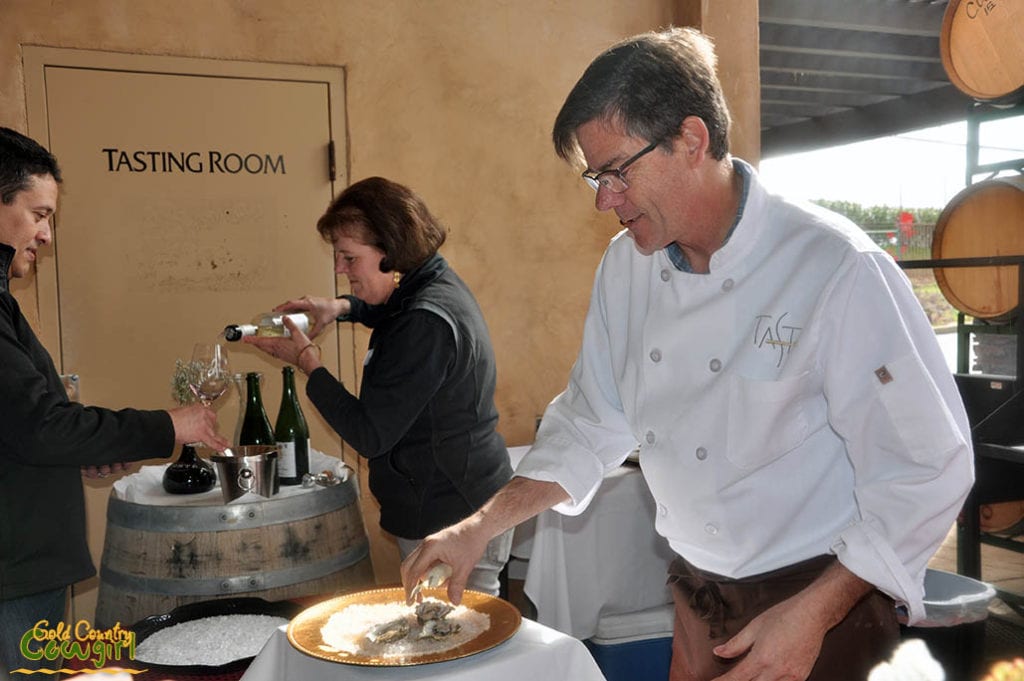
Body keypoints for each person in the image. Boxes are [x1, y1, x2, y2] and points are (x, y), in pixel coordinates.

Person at [401, 27, 974, 681]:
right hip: (701, 598)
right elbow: (590, 423)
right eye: (595, 175)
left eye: (616, 171)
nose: (602, 198)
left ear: (693, 140)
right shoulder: (626, 268)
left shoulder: (835, 267)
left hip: (826, 603)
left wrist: (813, 614)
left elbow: (929, 467)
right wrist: (479, 524)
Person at [0, 127, 230, 675]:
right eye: (38, 214)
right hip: (12, 575)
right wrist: (170, 425)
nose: (47, 234)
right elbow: (40, 427)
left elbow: (20, 427)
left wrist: (81, 449)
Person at [243, 176, 514, 596]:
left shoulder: (424, 322)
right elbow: (391, 308)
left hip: (452, 514)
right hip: (459, 500)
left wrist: (307, 363)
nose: (339, 269)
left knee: (456, 644)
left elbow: (370, 434)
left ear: (389, 252)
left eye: (349, 258)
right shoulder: (429, 280)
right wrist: (341, 308)